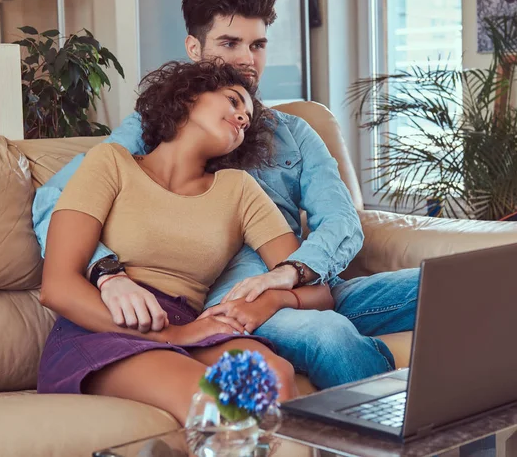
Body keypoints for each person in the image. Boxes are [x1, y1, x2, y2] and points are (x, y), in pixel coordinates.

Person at [33, 0, 419, 390]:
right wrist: (109, 274)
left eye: (257, 45)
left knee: (455, 285)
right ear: (194, 49)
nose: (247, 59)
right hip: (228, 297)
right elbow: (54, 199)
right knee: (328, 334)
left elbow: (342, 222)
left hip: (303, 279)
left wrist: (289, 276)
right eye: (230, 43)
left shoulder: (295, 133)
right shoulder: (152, 129)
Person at [37, 60, 335, 424]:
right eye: (233, 101)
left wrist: (269, 300)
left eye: (248, 116)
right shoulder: (111, 163)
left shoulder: (239, 190)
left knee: (275, 376)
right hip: (104, 324)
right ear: (189, 96)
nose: (243, 118)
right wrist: (174, 333)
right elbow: (57, 287)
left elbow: (319, 291)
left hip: (193, 322)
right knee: (215, 405)